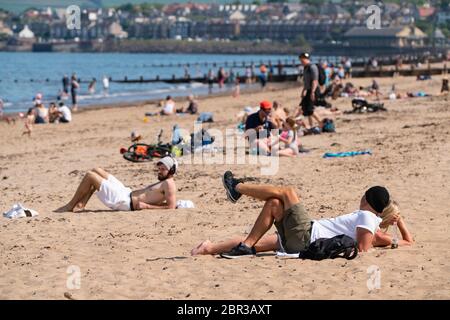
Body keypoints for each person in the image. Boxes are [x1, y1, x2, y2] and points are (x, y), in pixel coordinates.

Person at [191, 172, 414, 257]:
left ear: (366, 199)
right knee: (274, 204)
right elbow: (407, 242)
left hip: (307, 235)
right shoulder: (372, 227)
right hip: (301, 239)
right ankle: (209, 248)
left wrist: (379, 239)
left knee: (288, 192)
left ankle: (237, 188)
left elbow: (365, 247)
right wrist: (399, 223)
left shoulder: (367, 217)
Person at [55, 156, 178, 213]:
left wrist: (147, 207)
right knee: (97, 170)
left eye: (163, 169)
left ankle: (70, 206)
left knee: (90, 176)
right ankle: (81, 204)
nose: (159, 171)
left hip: (125, 202)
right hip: (126, 192)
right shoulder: (164, 182)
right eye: (159, 169)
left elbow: (171, 207)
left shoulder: (169, 185)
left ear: (171, 171)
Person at [298, 53, 322, 130]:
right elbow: (306, 82)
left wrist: (312, 92)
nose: (301, 61)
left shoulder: (312, 67)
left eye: (302, 59)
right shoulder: (305, 68)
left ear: (306, 59)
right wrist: (303, 91)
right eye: (300, 60)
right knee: (305, 109)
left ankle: (321, 123)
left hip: (314, 90)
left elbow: (315, 80)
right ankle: (311, 125)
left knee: (310, 109)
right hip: (308, 90)